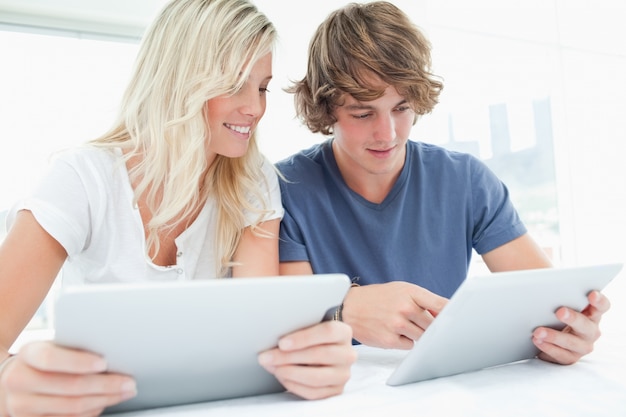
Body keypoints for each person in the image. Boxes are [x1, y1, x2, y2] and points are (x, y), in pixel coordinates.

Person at [0, 0, 357, 415]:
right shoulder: (82, 177)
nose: (255, 108)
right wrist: (9, 386)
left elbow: (261, 342)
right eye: (234, 84)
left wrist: (309, 361)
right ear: (179, 81)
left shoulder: (252, 179)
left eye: (261, 87)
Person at [277, 1, 610, 366]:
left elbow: (544, 304)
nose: (387, 134)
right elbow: (285, 324)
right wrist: (342, 311)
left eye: (402, 108)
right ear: (326, 109)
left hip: (444, 386)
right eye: (363, 113)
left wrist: (567, 334)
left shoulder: (465, 181)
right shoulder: (286, 191)